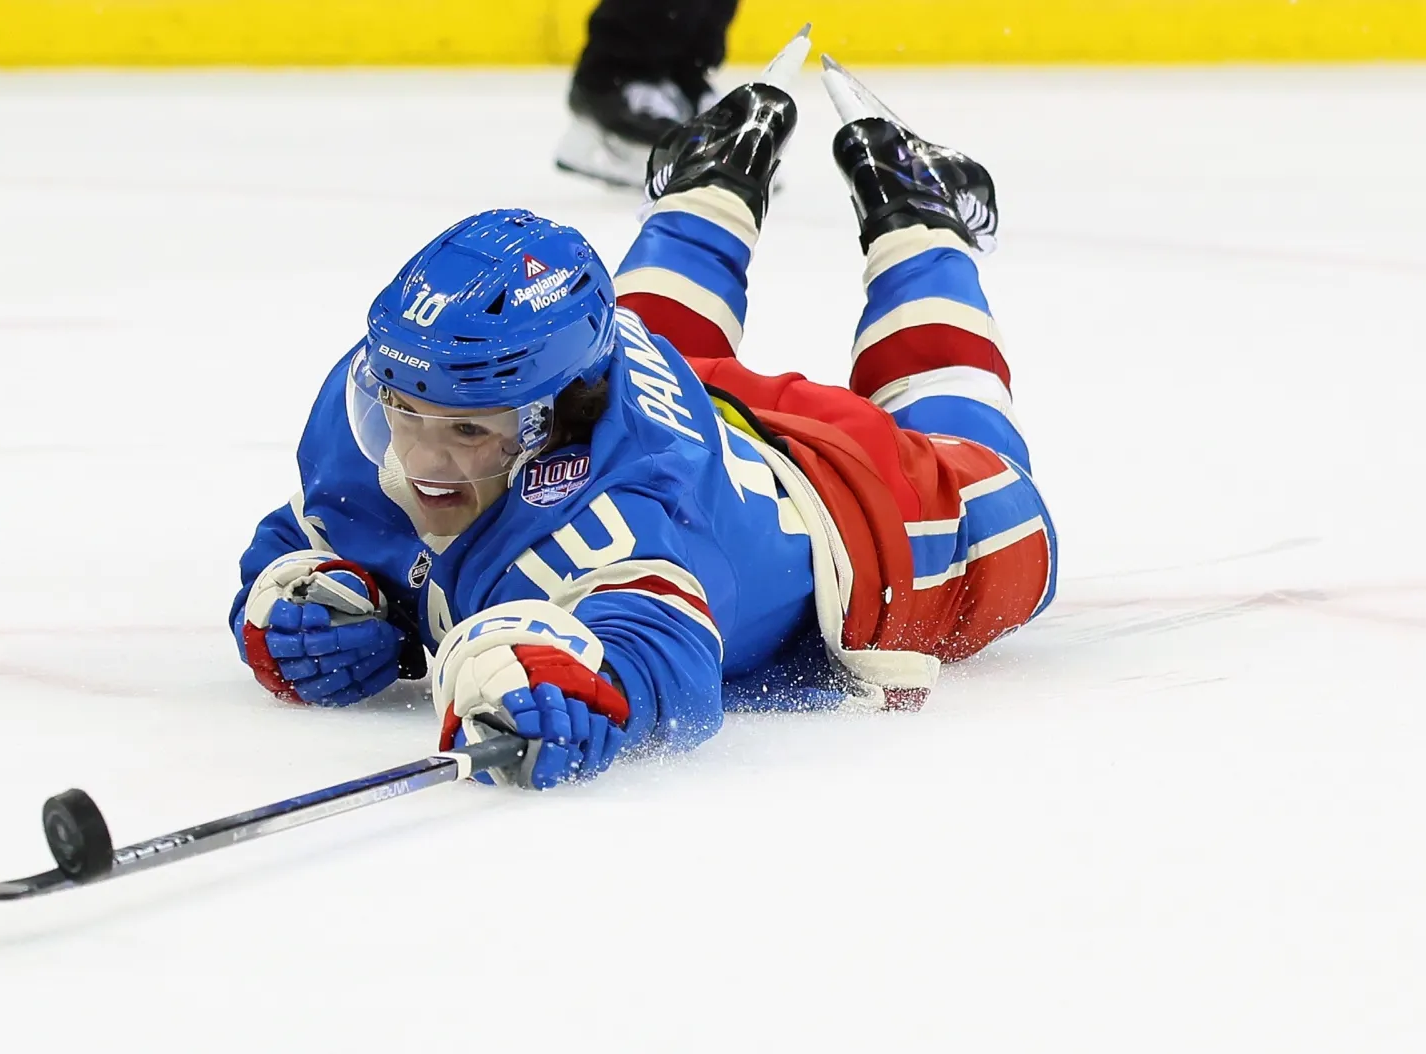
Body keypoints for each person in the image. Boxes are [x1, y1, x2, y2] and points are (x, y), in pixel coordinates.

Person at [231, 56, 1056, 789]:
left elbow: (665, 647)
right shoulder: (419, 374)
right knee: (656, 330)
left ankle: (919, 217)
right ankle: (715, 175)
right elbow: (310, 530)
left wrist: (577, 684)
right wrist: (303, 600)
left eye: (469, 433)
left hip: (853, 510)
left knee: (1002, 501)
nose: (421, 460)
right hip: (687, 411)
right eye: (402, 416)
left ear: (555, 423)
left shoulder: (625, 522)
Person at [554, 0, 741, 185]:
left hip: (680, 67)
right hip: (617, 74)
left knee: (694, 49)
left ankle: (680, 76)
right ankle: (615, 79)